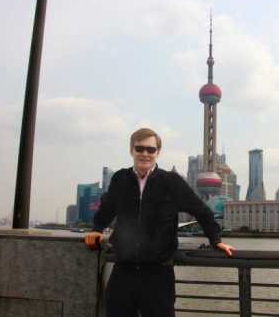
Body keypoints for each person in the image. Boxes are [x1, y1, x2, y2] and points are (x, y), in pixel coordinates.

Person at [84, 128, 234, 317]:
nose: (145, 154)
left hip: (158, 275)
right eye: (140, 148)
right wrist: (97, 229)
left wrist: (215, 239)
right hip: (123, 271)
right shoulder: (120, 178)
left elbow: (201, 210)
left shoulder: (171, 182)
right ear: (131, 150)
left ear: (158, 153)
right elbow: (107, 208)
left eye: (150, 149)